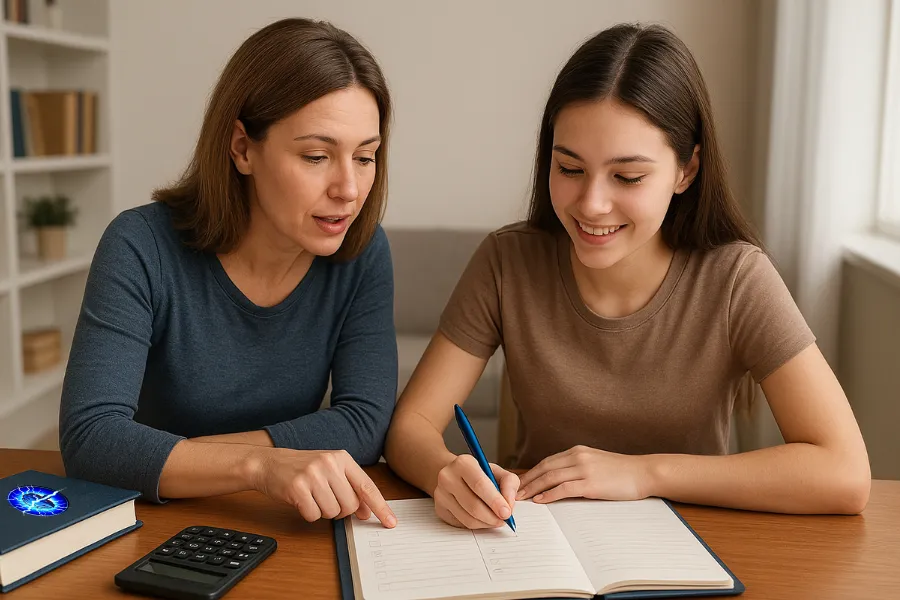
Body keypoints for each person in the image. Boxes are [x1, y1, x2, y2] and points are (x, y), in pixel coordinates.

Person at [385, 22, 871, 530]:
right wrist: (447, 472)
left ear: (686, 170)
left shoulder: (736, 279)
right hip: (537, 542)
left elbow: (844, 471)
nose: (592, 204)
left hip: (694, 547)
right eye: (569, 168)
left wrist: (643, 475)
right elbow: (410, 427)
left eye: (628, 177)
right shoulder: (507, 262)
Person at [60, 18, 398, 528]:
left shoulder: (363, 252)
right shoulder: (139, 245)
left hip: (283, 519)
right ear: (242, 148)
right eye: (316, 156)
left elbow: (364, 423)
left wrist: (182, 457)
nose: (349, 188)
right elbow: (91, 439)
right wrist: (262, 464)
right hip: (149, 519)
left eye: (365, 157)